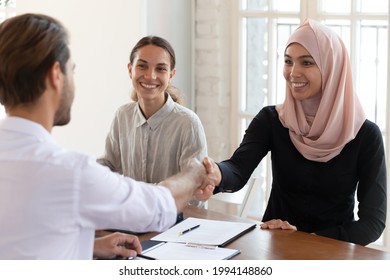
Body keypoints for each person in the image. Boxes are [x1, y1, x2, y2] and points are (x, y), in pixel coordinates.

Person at [0, 13, 208, 260]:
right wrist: (195, 173)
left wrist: (90, 246)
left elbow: (25, 237)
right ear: (56, 75)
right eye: (72, 71)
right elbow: (158, 207)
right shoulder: (70, 172)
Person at [201, 19, 387, 246]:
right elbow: (238, 169)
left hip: (331, 252)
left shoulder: (365, 135)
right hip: (275, 246)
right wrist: (216, 174)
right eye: (288, 61)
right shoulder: (272, 120)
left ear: (331, 68)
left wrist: (306, 240)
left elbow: (372, 222)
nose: (293, 72)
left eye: (306, 63)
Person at [97, 36, 209, 222]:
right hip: (132, 220)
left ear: (171, 74)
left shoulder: (188, 123)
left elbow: (194, 192)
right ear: (130, 69)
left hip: (177, 226)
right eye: (142, 66)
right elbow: (109, 166)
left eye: (160, 68)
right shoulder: (122, 115)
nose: (150, 76)